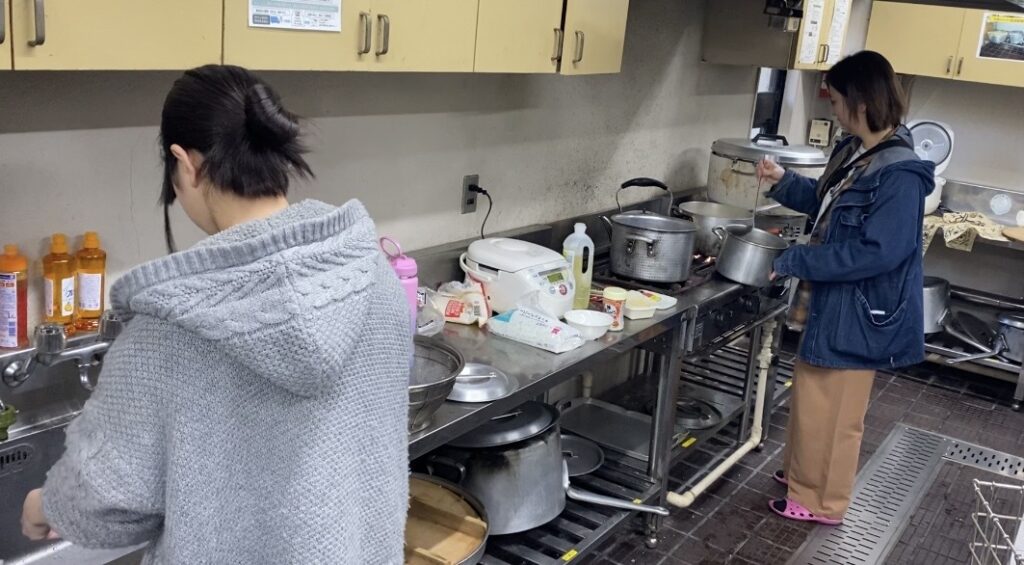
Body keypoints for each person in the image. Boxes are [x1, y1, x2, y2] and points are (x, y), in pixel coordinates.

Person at [21, 65, 413, 563]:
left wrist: (45, 504)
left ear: (185, 164)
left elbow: (106, 498)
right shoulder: (373, 275)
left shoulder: (167, 333)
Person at [756, 51, 934, 525]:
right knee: (813, 399)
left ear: (861, 101)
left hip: (858, 310)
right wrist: (782, 181)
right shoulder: (857, 150)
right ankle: (803, 475)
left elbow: (879, 252)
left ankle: (821, 501)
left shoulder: (899, 173)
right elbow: (825, 205)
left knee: (835, 412)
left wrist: (797, 259)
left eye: (836, 100)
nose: (832, 109)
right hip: (830, 301)